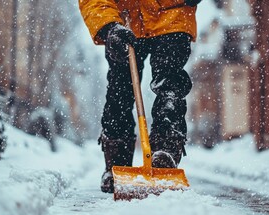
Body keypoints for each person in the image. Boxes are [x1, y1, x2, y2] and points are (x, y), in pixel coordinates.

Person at [79, 0, 202, 193]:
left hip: (172, 14)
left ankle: (165, 155)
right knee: (119, 92)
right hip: (124, 21)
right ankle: (117, 166)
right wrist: (108, 26)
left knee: (170, 86)